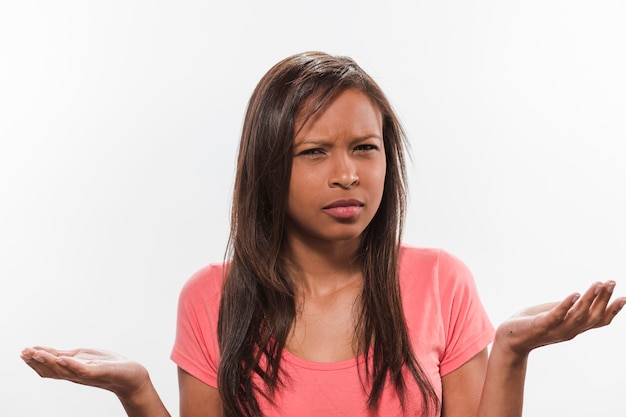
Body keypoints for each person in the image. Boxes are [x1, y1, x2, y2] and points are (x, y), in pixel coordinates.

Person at [21, 51, 625, 417]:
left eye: (366, 148)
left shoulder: (442, 280)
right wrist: (138, 392)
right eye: (314, 152)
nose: (346, 175)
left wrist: (513, 350)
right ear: (267, 165)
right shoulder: (210, 296)